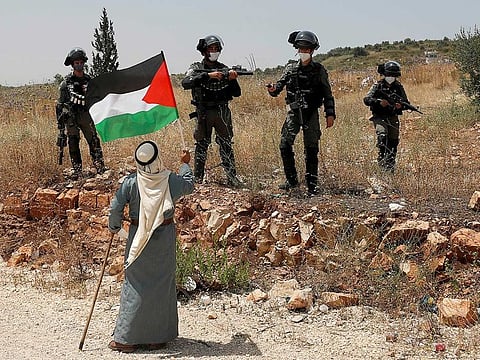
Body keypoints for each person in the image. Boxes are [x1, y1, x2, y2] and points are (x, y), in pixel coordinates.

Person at [107, 141, 194, 353]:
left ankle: (126, 339)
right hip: (164, 237)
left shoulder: (131, 182)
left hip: (138, 236)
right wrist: (185, 163)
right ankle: (157, 338)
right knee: (161, 284)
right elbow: (188, 184)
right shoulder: (169, 181)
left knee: (135, 284)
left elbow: (116, 206)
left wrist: (115, 227)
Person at [267, 31, 336, 195]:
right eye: (301, 49)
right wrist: (272, 89)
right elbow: (278, 87)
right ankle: (291, 181)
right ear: (297, 49)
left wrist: (330, 114)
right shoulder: (290, 69)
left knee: (311, 149)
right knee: (284, 145)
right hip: (293, 113)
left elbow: (328, 93)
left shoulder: (319, 70)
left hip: (311, 113)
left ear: (312, 50)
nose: (304, 52)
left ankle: (312, 185)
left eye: (307, 49)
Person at [181, 34, 243, 188]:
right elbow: (186, 82)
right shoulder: (196, 68)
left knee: (226, 144)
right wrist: (207, 76)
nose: (213, 51)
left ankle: (232, 177)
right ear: (204, 51)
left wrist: (232, 79)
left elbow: (236, 93)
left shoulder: (224, 68)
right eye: (210, 48)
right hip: (203, 112)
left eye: (216, 48)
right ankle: (198, 178)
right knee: (202, 144)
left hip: (222, 111)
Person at [56, 47, 106, 179]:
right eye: (76, 62)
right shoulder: (65, 84)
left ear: (84, 63)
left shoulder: (90, 82)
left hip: (86, 116)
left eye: (80, 62)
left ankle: (100, 167)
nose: (78, 65)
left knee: (94, 141)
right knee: (73, 143)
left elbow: (97, 99)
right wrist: (60, 125)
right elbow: (60, 105)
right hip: (71, 118)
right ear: (72, 64)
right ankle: (77, 170)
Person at [363, 61, 410, 172]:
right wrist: (379, 102)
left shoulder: (398, 87)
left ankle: (390, 165)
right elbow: (367, 100)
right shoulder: (378, 86)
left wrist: (400, 106)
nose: (391, 78)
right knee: (382, 136)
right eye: (389, 75)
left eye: (393, 75)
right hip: (379, 117)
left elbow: (405, 102)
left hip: (393, 117)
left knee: (393, 141)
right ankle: (382, 162)